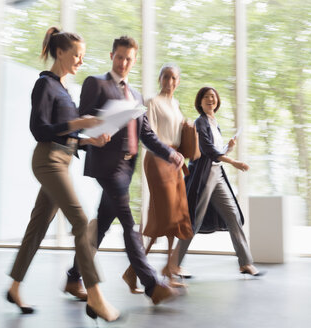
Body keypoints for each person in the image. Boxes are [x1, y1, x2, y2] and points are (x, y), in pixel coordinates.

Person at [6, 27, 119, 322]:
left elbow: (66, 135)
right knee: (82, 222)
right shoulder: (44, 85)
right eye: (77, 55)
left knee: (38, 227)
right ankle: (95, 296)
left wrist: (88, 140)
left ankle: (14, 287)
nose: (81, 61)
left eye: (82, 56)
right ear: (60, 52)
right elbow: (39, 130)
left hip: (63, 159)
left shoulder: (64, 89)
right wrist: (79, 122)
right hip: (48, 162)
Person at [63, 36, 184, 305]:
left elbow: (147, 135)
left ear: (135, 60)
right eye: (119, 57)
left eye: (129, 58)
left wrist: (171, 153)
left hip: (127, 167)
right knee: (129, 223)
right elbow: (80, 121)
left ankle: (73, 276)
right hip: (106, 164)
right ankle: (151, 284)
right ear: (111, 56)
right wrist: (92, 135)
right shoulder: (96, 83)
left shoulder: (137, 95)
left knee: (103, 224)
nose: (123, 63)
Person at [171, 86, 264, 277]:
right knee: (193, 221)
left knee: (232, 215)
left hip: (217, 175)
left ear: (217, 101)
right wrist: (234, 162)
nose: (210, 99)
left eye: (213, 97)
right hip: (203, 178)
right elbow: (209, 151)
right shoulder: (200, 122)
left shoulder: (214, 122)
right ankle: (174, 264)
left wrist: (228, 149)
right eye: (206, 97)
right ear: (200, 102)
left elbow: (216, 152)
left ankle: (245, 263)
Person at [123, 63, 193, 287]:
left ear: (178, 81)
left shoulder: (176, 104)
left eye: (174, 78)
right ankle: (137, 268)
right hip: (158, 159)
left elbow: (177, 132)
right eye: (166, 77)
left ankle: (166, 269)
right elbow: (149, 134)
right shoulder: (152, 102)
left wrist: (187, 127)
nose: (170, 82)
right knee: (164, 215)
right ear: (159, 79)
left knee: (176, 215)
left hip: (175, 160)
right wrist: (168, 153)